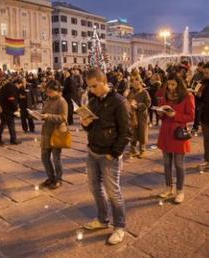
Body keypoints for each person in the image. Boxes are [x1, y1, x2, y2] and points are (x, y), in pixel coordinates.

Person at [81, 68, 130, 245]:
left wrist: (114, 153)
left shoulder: (119, 102)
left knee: (113, 192)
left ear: (104, 81)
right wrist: (85, 124)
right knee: (95, 188)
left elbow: (126, 132)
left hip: (109, 154)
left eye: (94, 86)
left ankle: (119, 227)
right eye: (89, 87)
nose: (91, 90)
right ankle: (102, 219)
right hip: (92, 151)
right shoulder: (93, 101)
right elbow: (92, 127)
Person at [157, 74, 195, 204]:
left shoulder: (187, 97)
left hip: (178, 133)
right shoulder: (165, 96)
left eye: (173, 85)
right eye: (168, 84)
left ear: (179, 84)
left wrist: (175, 115)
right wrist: (160, 113)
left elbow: (191, 116)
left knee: (179, 164)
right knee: (167, 163)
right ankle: (168, 188)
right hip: (166, 133)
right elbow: (162, 114)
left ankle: (180, 191)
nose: (170, 87)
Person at [39, 80, 68, 190]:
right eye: (47, 92)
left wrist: (48, 116)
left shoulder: (62, 101)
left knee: (56, 158)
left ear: (57, 91)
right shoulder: (48, 100)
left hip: (57, 132)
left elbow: (63, 117)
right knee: (44, 157)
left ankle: (58, 179)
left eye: (50, 92)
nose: (48, 94)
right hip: (46, 131)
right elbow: (44, 112)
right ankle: (50, 177)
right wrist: (39, 115)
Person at [127, 76, 151, 158]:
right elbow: (127, 100)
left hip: (141, 116)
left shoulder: (145, 92)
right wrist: (129, 103)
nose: (136, 85)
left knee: (142, 133)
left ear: (141, 84)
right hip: (133, 116)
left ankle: (142, 150)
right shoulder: (131, 92)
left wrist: (138, 106)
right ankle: (133, 150)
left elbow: (148, 103)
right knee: (133, 133)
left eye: (137, 84)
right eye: (134, 84)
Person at [0, 78, 22, 145]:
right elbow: (12, 99)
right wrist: (16, 108)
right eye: (20, 85)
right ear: (17, 83)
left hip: (2, 108)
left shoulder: (7, 86)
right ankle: (13, 139)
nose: (19, 87)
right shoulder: (12, 88)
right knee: (11, 124)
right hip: (7, 109)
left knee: (3, 123)